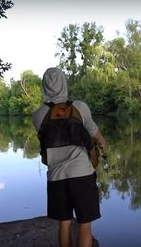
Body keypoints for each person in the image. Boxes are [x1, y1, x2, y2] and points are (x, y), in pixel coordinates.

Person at [32, 67, 106, 247]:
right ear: (64, 82)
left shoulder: (38, 115)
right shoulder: (80, 107)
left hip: (56, 177)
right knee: (84, 226)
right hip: (82, 175)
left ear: (45, 86)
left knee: (64, 224)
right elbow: (97, 136)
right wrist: (104, 147)